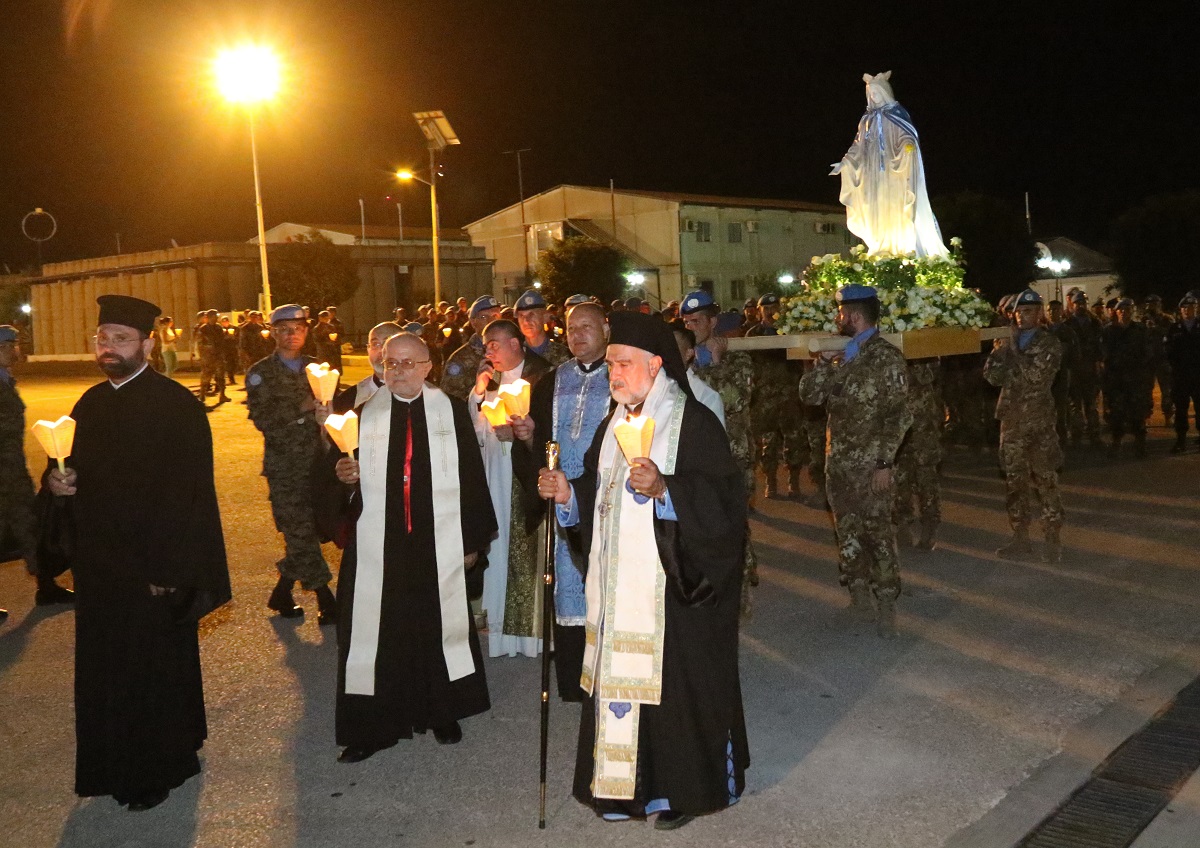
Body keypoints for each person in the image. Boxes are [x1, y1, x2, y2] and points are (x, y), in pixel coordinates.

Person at [537, 311, 749, 830]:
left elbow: (724, 503)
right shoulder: (616, 421)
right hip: (617, 588)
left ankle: (679, 791)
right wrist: (570, 494)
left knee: (674, 691)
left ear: (656, 365)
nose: (614, 373)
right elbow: (598, 490)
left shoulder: (692, 421)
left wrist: (666, 491)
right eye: (611, 363)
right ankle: (622, 789)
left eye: (623, 363)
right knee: (618, 688)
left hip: (673, 587)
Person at [44, 295, 231, 811]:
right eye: (103, 338)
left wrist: (171, 571)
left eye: (120, 338)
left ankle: (157, 768)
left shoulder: (176, 405)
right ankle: (111, 763)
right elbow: (67, 470)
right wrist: (58, 484)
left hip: (154, 569)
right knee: (108, 671)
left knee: (154, 670)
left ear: (149, 343)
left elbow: (191, 498)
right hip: (102, 570)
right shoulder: (89, 404)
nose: (108, 347)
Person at [319, 333, 496, 761]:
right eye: (389, 363)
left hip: (437, 539)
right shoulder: (360, 415)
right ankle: (373, 725)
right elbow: (332, 475)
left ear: (427, 367)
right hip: (380, 543)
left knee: (436, 624)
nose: (396, 371)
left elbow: (472, 477)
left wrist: (471, 541)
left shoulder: (449, 413)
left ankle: (441, 711)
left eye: (406, 363)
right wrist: (342, 477)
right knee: (374, 631)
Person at [511, 302, 611, 700]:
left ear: (606, 327)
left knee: (602, 579)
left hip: (603, 496)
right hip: (562, 499)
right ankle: (573, 680)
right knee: (566, 582)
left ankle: (606, 674)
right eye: (572, 328)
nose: (578, 334)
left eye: (587, 326)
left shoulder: (622, 374)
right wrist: (528, 436)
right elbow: (540, 441)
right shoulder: (552, 379)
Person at [799, 284, 911, 638]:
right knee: (847, 531)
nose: (837, 319)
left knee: (878, 534)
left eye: (840, 313)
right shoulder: (840, 355)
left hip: (871, 466)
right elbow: (810, 396)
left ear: (853, 315)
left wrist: (884, 463)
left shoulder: (887, 358)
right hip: (840, 463)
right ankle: (859, 596)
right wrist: (821, 362)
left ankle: (887, 604)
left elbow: (900, 416)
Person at [245, 304, 338, 625]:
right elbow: (262, 419)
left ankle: (282, 592)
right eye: (284, 329)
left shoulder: (319, 368)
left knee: (310, 529)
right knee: (300, 530)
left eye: (297, 328)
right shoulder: (261, 373)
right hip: (285, 467)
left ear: (306, 330)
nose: (292, 334)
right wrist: (302, 407)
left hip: (320, 462)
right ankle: (327, 600)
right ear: (273, 332)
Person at [468, 319, 552, 657]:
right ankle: (502, 628)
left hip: (522, 478)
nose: (489, 351)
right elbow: (473, 430)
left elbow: (548, 426)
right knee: (499, 548)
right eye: (486, 345)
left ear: (516, 344)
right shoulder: (489, 381)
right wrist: (477, 392)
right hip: (493, 475)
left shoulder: (542, 376)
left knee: (524, 550)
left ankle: (531, 636)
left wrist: (519, 438)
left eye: (495, 344)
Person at [680, 291, 759, 617]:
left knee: (734, 527)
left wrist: (713, 364)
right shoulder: (682, 358)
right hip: (699, 460)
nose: (691, 326)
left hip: (734, 456)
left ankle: (739, 597)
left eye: (697, 321)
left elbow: (733, 399)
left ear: (713, 322)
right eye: (686, 321)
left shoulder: (736, 360)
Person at [983, 289, 1065, 563]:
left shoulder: (1049, 343)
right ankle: (1020, 537)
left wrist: (1011, 350)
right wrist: (1000, 352)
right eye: (1018, 311)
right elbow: (992, 377)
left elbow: (1035, 376)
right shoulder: (1007, 342)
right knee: (1015, 483)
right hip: (1012, 421)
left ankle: (1052, 540)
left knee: (1045, 481)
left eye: (1028, 311)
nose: (1022, 316)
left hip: (1039, 422)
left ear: (1039, 314)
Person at [0, 325, 75, 610]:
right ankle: (46, 586)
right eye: (4, 346)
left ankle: (46, 587)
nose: (11, 350)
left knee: (32, 528)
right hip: (4, 475)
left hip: (13, 472)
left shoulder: (6, 380)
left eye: (13, 344)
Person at [746, 293, 805, 499]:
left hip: (789, 393)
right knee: (767, 441)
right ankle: (770, 480)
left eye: (774, 307)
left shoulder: (791, 331)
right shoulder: (753, 334)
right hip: (765, 396)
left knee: (794, 438)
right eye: (766, 308)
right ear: (759, 311)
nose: (771, 312)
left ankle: (794, 481)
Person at [893, 358, 941, 550]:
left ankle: (929, 524)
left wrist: (909, 360)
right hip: (897, 421)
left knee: (925, 476)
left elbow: (926, 375)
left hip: (922, 424)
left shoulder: (924, 348)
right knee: (899, 475)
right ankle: (902, 521)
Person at [1101, 298, 1153, 458]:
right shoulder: (1108, 331)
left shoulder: (1140, 330)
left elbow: (1148, 353)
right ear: (1116, 312)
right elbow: (1103, 354)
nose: (1124, 313)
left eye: (1127, 310)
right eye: (1121, 310)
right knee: (1116, 414)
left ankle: (1140, 445)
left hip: (1136, 378)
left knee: (1138, 413)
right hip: (1116, 379)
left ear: (1132, 312)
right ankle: (1116, 444)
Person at [441, 295, 502, 400]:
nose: (491, 321)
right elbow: (449, 398)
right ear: (473, 322)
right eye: (483, 317)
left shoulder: (512, 350)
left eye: (495, 316)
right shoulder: (460, 359)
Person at [334, 322, 403, 414]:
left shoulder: (423, 393)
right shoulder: (349, 398)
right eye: (375, 344)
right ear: (368, 349)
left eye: (388, 343)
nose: (381, 350)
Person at [1066, 291, 1104, 447]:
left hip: (1090, 370)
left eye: (1083, 303)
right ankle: (1076, 436)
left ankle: (1094, 434)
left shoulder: (1095, 324)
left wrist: (1099, 364)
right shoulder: (1067, 325)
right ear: (1072, 305)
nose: (1081, 306)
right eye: (1077, 304)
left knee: (1091, 405)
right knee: (1075, 406)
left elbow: (1100, 347)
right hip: (1074, 371)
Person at [671, 321, 725, 427]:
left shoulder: (706, 395)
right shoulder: (652, 386)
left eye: (673, 347)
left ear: (689, 354)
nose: (666, 352)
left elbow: (714, 440)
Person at [1168, 293, 1200, 452]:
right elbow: (1168, 353)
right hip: (1181, 376)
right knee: (1181, 408)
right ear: (1181, 310)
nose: (1188, 310)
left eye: (1192, 307)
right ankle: (1181, 440)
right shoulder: (1174, 329)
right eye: (1185, 308)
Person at [514, 289, 571, 366]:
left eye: (532, 314)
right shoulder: (513, 355)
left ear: (545, 317)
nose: (526, 321)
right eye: (521, 316)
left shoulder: (564, 354)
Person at [1142, 295, 1174, 426]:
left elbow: (1171, 335)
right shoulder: (1144, 320)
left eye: (1153, 304)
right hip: (1148, 360)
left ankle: (1168, 415)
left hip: (1163, 359)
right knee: (1146, 389)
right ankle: (1146, 416)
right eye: (1149, 304)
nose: (1151, 307)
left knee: (1166, 390)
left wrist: (1155, 328)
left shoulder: (1167, 319)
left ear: (1159, 305)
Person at [196, 309, 228, 404]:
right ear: (209, 317)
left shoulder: (218, 327)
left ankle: (222, 395)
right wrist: (206, 350)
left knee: (221, 376)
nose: (216, 318)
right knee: (206, 376)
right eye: (214, 316)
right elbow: (199, 343)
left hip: (218, 355)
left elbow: (222, 340)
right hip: (208, 357)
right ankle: (202, 395)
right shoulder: (203, 329)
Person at [312, 310, 344, 374]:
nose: (326, 319)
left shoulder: (331, 327)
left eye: (327, 318)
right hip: (322, 351)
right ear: (320, 318)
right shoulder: (317, 328)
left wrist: (334, 339)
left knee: (333, 369)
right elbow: (317, 339)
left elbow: (337, 335)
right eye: (324, 318)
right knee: (323, 368)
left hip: (332, 351)